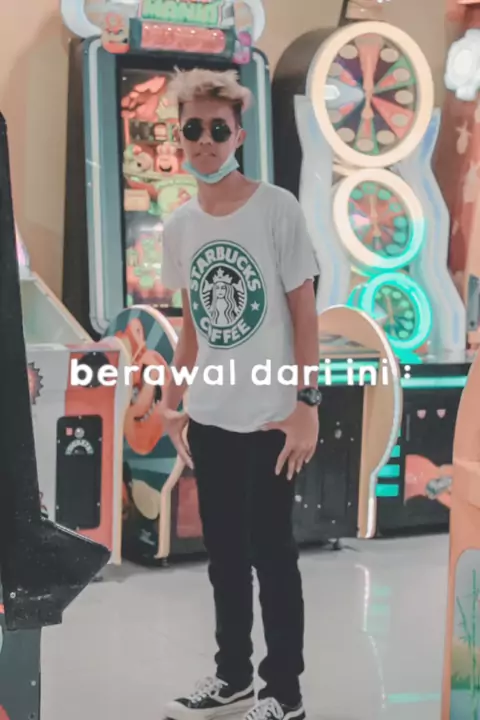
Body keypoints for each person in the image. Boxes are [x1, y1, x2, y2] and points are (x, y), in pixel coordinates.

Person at [160, 68, 321, 720]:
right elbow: (193, 328)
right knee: (223, 558)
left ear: (239, 135)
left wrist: (307, 406)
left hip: (270, 420)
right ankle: (233, 680)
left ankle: (284, 692)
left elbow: (305, 316)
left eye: (217, 129)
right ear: (179, 134)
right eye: (193, 128)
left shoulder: (277, 209)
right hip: (210, 418)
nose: (204, 141)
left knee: (272, 556)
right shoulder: (180, 226)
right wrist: (172, 401)